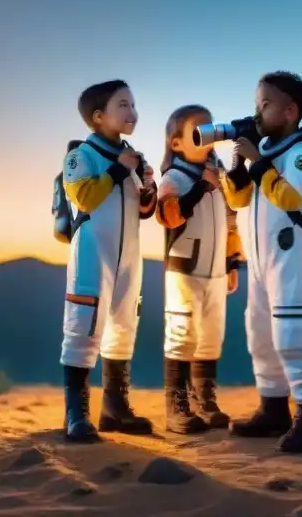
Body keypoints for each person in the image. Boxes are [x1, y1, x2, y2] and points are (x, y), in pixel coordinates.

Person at [221, 71, 302, 454]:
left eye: (265, 104)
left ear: (290, 111)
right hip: (261, 261)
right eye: (257, 103)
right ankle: (273, 408)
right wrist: (238, 165)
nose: (258, 111)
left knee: (294, 335)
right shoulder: (265, 154)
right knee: (261, 334)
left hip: (293, 257)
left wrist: (256, 162)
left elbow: (289, 198)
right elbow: (238, 201)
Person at [59, 79, 158, 443]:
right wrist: (119, 169)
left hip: (129, 253)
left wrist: (147, 188)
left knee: (123, 325)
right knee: (83, 324)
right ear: (98, 117)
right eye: (123, 105)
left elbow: (144, 210)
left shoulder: (133, 157)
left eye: (133, 104)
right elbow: (85, 198)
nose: (132, 112)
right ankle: (77, 414)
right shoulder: (80, 156)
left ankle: (115, 408)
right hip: (91, 253)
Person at [156, 104, 244, 434]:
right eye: (197, 130)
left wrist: (232, 262)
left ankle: (205, 400)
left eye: (210, 128)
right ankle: (175, 407)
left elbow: (230, 223)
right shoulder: (173, 178)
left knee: (210, 337)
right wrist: (200, 188)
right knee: (182, 335)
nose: (206, 135)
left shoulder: (219, 180)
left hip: (216, 272)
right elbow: (169, 216)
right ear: (175, 143)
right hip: (184, 270)